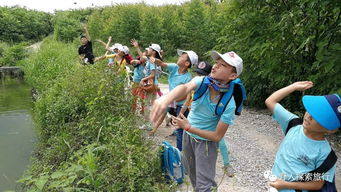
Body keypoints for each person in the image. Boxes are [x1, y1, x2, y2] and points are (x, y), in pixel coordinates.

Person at [151, 50, 243, 191]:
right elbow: (186, 87)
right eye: (216, 62)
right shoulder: (203, 82)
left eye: (223, 65)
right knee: (193, 177)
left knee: (205, 185)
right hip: (189, 137)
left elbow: (217, 136)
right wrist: (167, 98)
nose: (216, 66)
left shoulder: (229, 103)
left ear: (233, 75)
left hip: (205, 143)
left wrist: (188, 127)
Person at [265, 82, 340, 192]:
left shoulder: (326, 154)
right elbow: (270, 101)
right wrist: (293, 87)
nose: (309, 116)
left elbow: (317, 184)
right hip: (274, 186)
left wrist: (285, 185)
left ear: (330, 129)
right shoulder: (293, 124)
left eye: (317, 117)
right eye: (310, 110)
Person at [149, 49, 198, 152]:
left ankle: (181, 151)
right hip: (171, 100)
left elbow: (185, 96)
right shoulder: (174, 67)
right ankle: (154, 128)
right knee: (163, 113)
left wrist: (174, 103)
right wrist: (155, 60)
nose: (178, 57)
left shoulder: (187, 78)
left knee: (180, 128)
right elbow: (162, 63)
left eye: (182, 57)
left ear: (187, 63)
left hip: (180, 104)